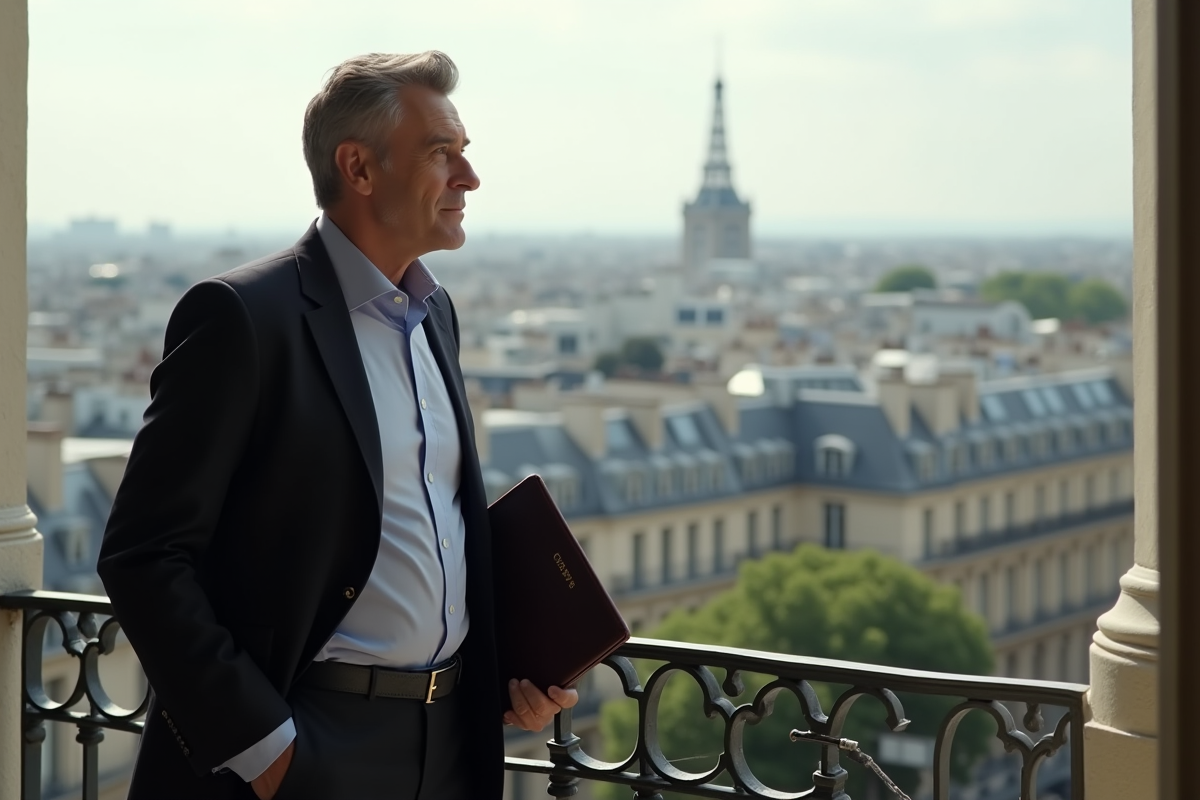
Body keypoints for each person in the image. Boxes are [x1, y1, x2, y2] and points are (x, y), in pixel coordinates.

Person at [97, 51, 577, 800]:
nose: (469, 179)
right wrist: (266, 749)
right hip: (309, 738)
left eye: (465, 154)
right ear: (358, 167)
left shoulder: (435, 316)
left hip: (450, 740)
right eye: (441, 154)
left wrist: (506, 671)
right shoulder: (244, 318)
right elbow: (143, 553)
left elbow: (428, 523)